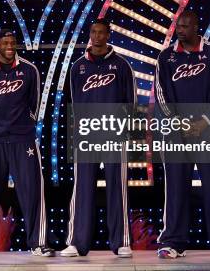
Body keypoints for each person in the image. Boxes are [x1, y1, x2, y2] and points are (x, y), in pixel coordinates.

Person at [155, 10, 210, 259]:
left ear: (196, 27)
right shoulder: (166, 57)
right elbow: (162, 95)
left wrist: (203, 121)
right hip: (176, 132)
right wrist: (179, 122)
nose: (179, 30)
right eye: (177, 26)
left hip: (209, 131)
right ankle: (172, 241)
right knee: (176, 188)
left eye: (184, 26)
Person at [0, 29, 54, 257]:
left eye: (12, 43)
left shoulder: (29, 70)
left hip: (21, 138)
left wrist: (22, 125)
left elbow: (35, 104)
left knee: (32, 191)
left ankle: (38, 242)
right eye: (5, 42)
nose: (9, 46)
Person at [61, 19, 136, 258]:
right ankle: (76, 242)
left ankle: (121, 241)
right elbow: (73, 104)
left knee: (117, 188)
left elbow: (131, 103)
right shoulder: (78, 67)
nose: (96, 36)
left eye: (101, 32)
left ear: (108, 35)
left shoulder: (122, 66)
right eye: (93, 32)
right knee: (82, 189)